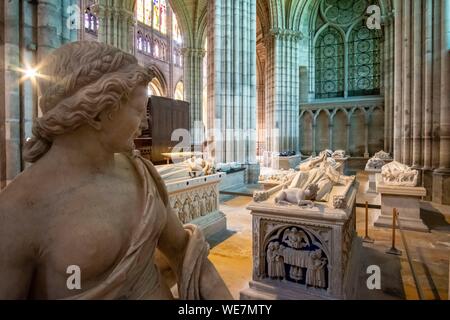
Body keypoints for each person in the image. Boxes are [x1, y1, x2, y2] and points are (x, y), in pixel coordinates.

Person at [0, 41, 232, 300]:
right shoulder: (18, 210)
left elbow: (187, 254)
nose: (145, 124)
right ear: (97, 113)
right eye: (138, 111)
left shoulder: (140, 173)